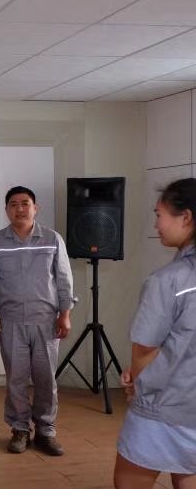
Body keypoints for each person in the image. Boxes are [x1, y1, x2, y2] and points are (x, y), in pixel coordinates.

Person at [113, 178, 196, 489]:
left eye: (159, 215)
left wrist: (136, 384)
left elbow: (145, 349)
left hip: (164, 408)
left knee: (128, 482)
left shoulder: (167, 280)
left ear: (185, 217)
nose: (156, 224)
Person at [0, 186, 75, 456]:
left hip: (46, 321)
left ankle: (46, 431)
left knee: (46, 379)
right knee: (16, 379)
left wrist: (65, 314)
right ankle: (20, 429)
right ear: (6, 210)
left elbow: (64, 278)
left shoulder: (52, 239)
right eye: (13, 204)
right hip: (11, 321)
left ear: (36, 208)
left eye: (25, 203)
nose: (20, 209)